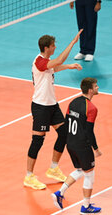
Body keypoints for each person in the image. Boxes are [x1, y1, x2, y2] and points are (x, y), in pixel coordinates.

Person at [24, 30, 83, 190]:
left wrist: (69, 66)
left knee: (64, 134)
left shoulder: (46, 62)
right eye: (53, 46)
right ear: (46, 48)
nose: (55, 47)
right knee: (37, 141)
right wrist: (72, 42)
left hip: (52, 105)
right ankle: (29, 176)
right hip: (40, 107)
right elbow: (58, 61)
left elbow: (54, 68)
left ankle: (53, 168)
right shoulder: (39, 62)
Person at [52, 77, 102, 214]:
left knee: (80, 170)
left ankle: (60, 193)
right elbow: (89, 131)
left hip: (71, 143)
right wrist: (96, 148)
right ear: (90, 90)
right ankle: (86, 206)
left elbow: (66, 123)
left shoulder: (72, 102)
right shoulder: (91, 108)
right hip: (82, 146)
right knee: (89, 175)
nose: (98, 87)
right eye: (96, 86)